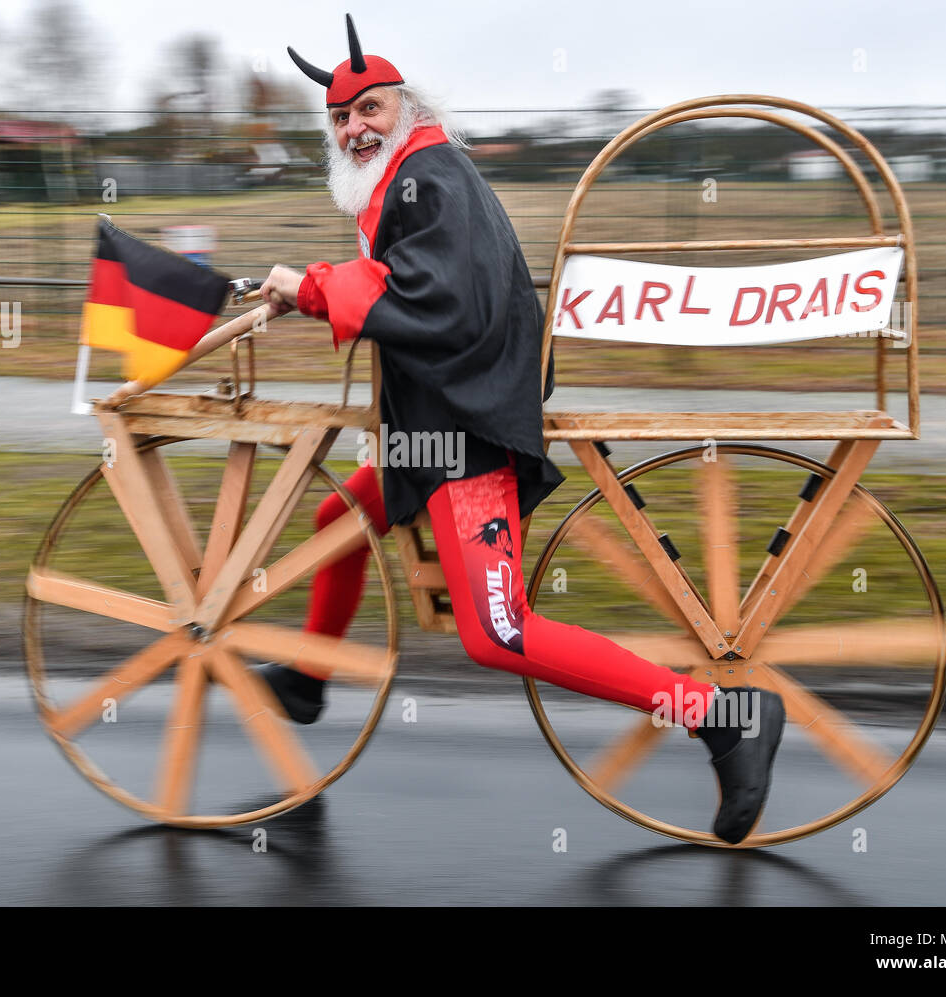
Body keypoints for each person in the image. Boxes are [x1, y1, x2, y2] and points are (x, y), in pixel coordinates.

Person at [256, 15, 784, 845]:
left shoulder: (428, 176)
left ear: (407, 107)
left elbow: (440, 302)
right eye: (339, 118)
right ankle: (308, 678)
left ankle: (718, 715)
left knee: (498, 634)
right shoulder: (412, 179)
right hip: (428, 432)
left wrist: (317, 287)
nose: (353, 127)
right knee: (339, 521)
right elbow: (407, 279)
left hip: (467, 435)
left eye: (369, 109)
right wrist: (313, 286)